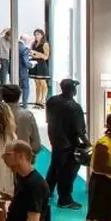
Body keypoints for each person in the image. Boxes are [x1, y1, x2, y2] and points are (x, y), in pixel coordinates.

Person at [44, 78, 88, 209]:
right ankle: (65, 199)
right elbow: (80, 131)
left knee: (55, 166)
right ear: (73, 90)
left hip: (55, 140)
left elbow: (48, 120)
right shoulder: (74, 107)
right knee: (68, 173)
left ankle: (47, 191)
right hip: (69, 144)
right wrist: (89, 144)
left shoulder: (52, 101)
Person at [0, 83, 41, 155]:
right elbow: (36, 144)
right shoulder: (27, 115)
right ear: (19, 97)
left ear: (2, 97)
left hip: (0, 155)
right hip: (23, 156)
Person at [28, 30, 50, 108]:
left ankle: (42, 101)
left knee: (42, 83)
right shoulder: (33, 43)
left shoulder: (45, 44)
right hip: (34, 63)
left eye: (38, 34)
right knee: (37, 84)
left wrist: (37, 53)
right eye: (35, 34)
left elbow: (46, 57)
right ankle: (37, 101)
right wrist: (34, 54)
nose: (36, 36)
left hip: (41, 64)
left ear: (42, 35)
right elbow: (31, 53)